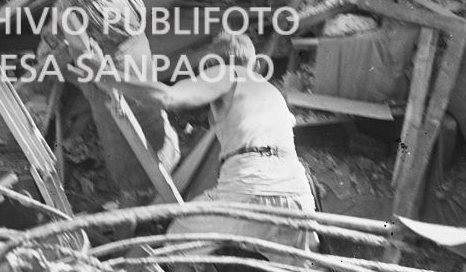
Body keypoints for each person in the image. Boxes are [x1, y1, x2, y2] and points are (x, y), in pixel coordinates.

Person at [82, 28, 320, 256]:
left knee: (178, 243)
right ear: (256, 64)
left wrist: (107, 77)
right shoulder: (272, 93)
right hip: (296, 194)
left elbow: (168, 96)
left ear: (211, 65)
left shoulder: (226, 72)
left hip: (251, 185)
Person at [37, 0, 180, 207]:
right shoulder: (75, 2)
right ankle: (138, 204)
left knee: (157, 129)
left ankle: (168, 175)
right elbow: (86, 61)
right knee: (130, 148)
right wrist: (123, 90)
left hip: (138, 69)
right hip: (114, 86)